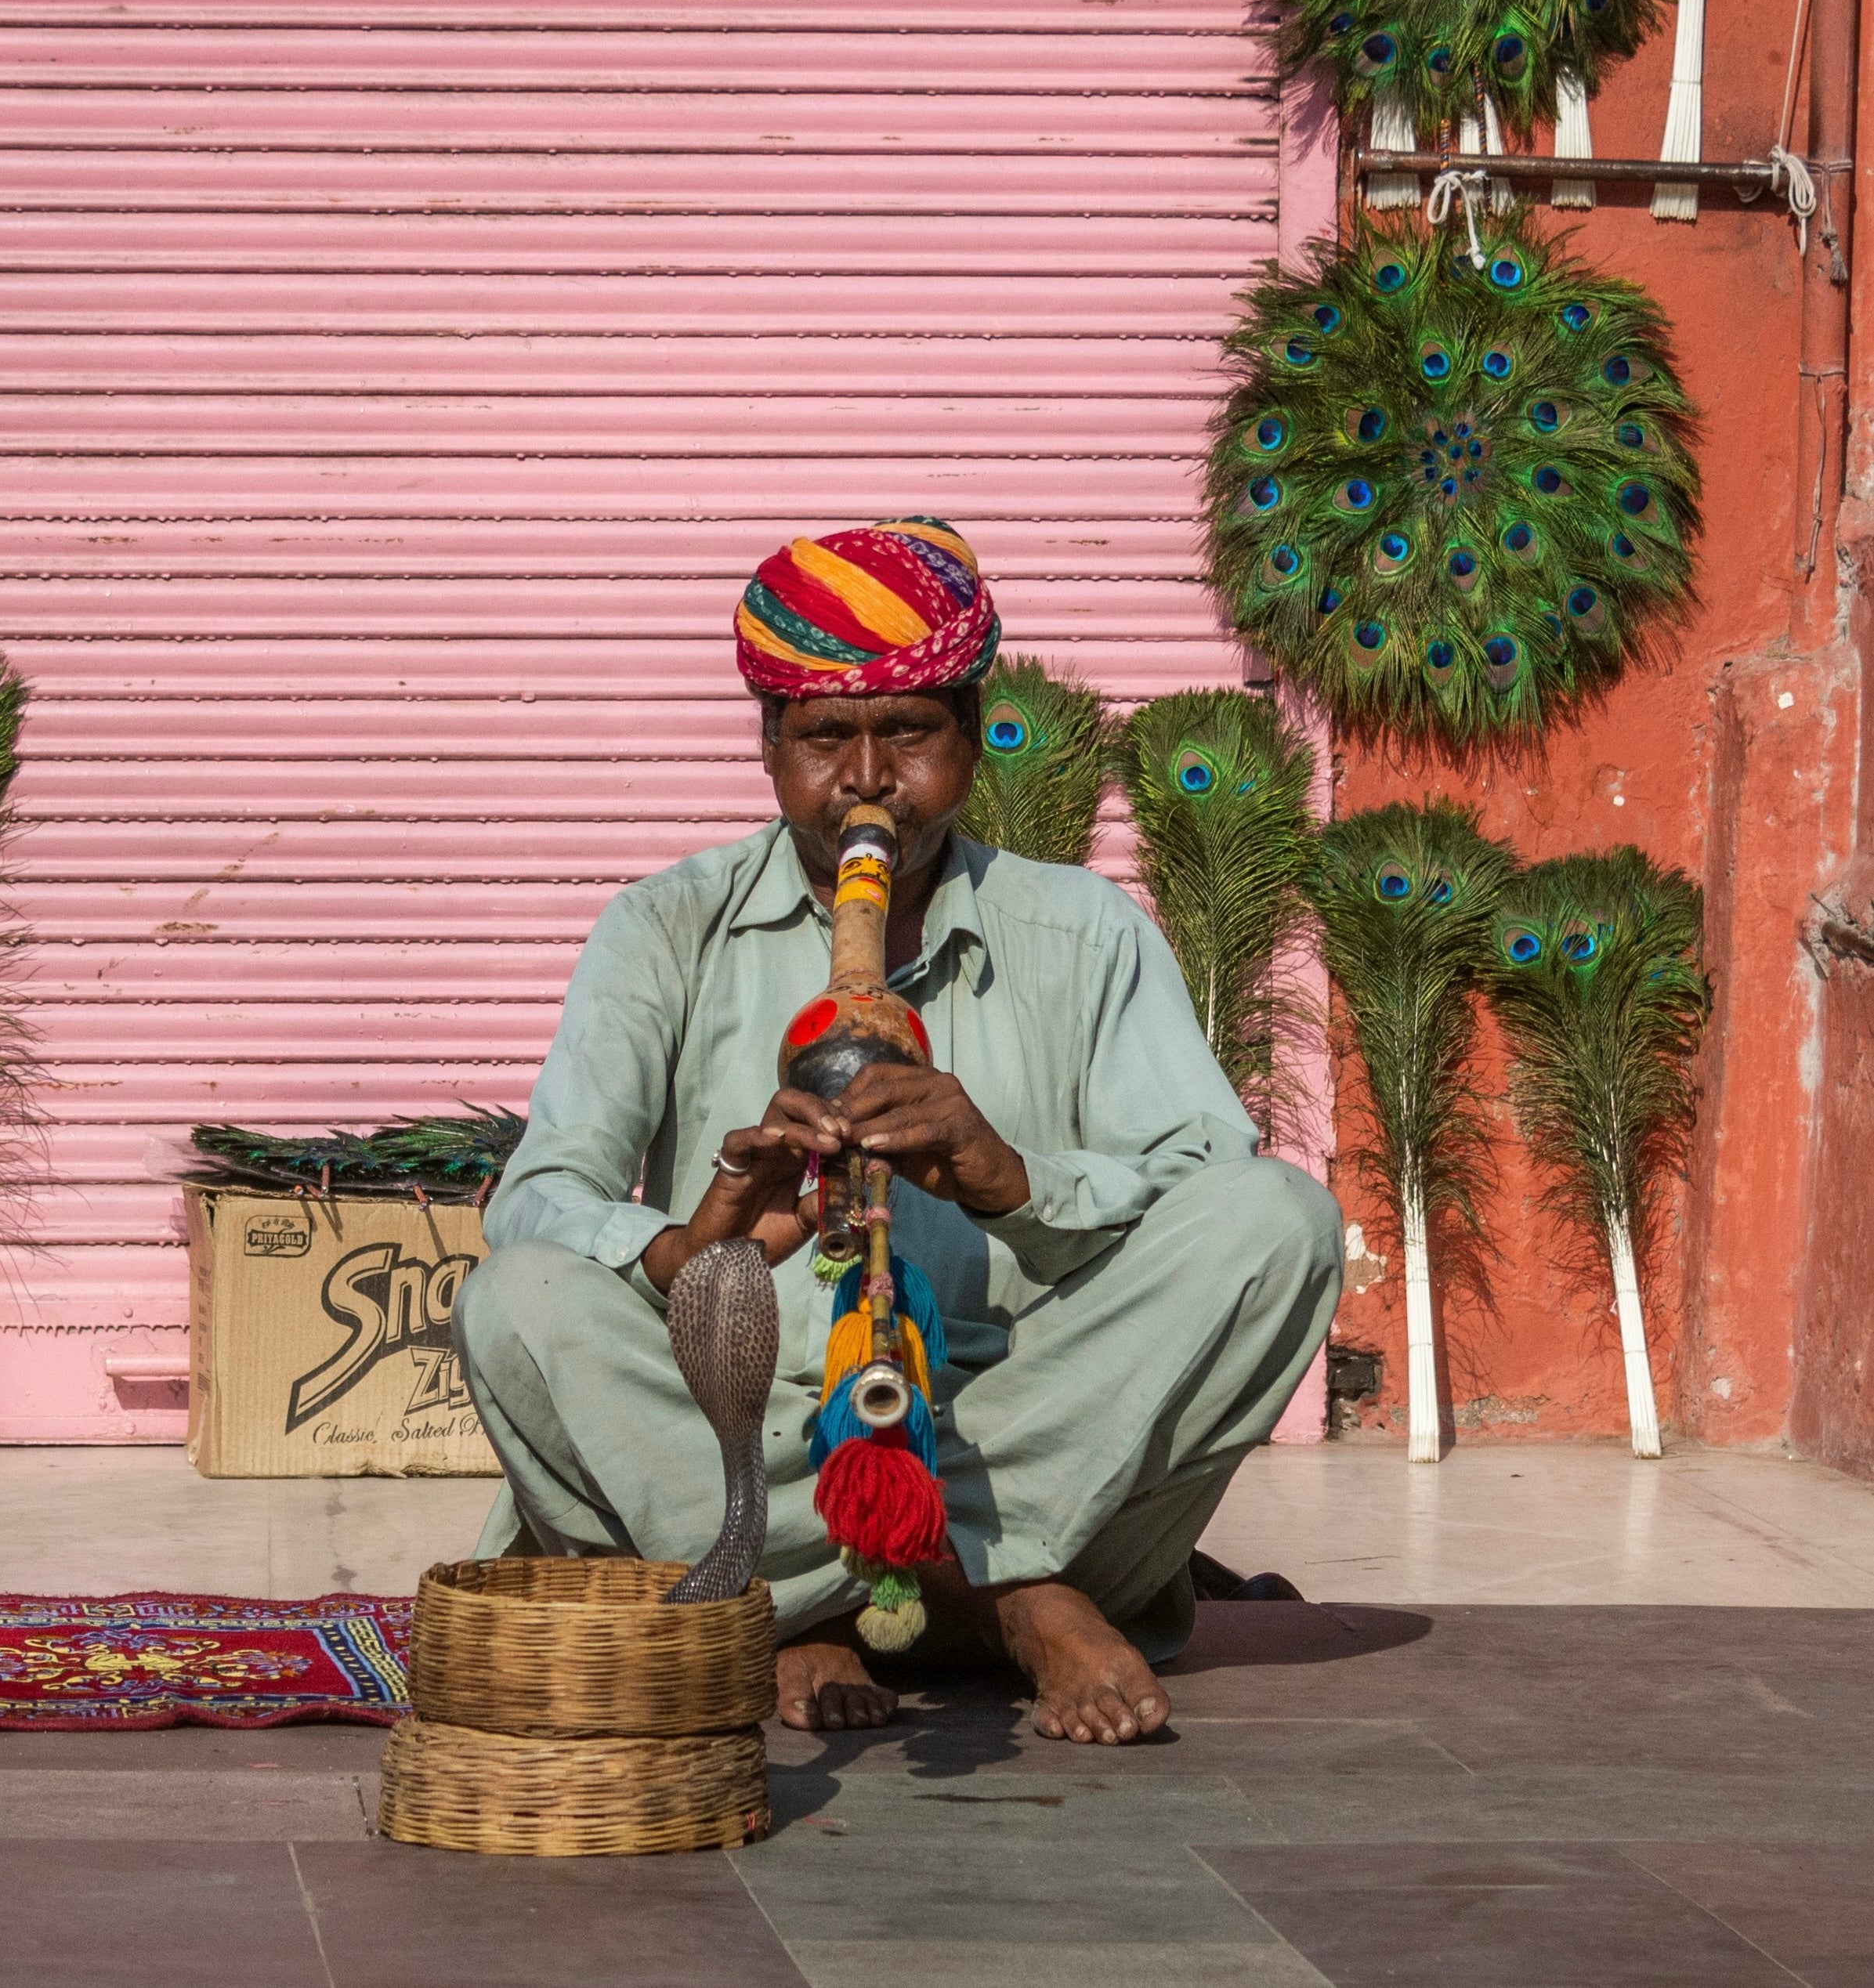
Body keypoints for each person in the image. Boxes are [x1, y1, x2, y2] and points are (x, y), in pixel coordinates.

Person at [455, 518, 1342, 1744]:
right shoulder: (662, 927)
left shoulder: (1082, 928)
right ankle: (1007, 1587)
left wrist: (1010, 1179)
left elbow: (1202, 1172)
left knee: (1278, 1220)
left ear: (969, 745)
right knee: (513, 1299)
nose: (867, 779)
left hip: (1015, 1410)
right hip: (748, 1418)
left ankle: (787, 1597)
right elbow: (539, 1195)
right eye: (825, 738)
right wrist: (695, 1242)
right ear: (770, 752)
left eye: (909, 733)